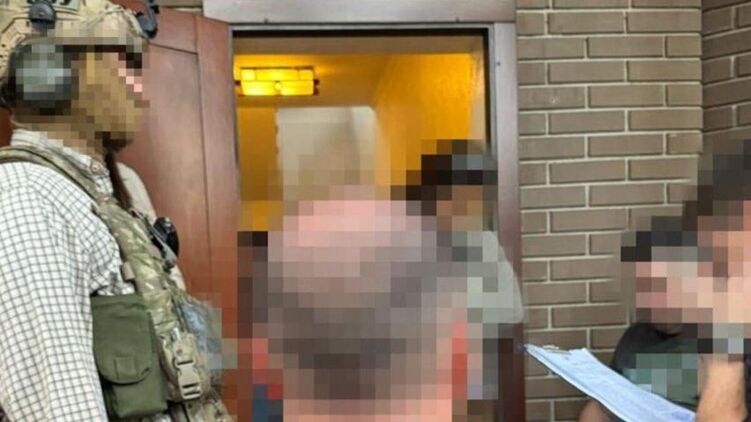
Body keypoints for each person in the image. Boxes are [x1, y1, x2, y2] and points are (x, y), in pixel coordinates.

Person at [0, 0, 230, 420]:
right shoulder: (25, 198)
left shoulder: (110, 192)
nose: (140, 90)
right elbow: (61, 411)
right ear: (48, 72)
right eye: (124, 63)